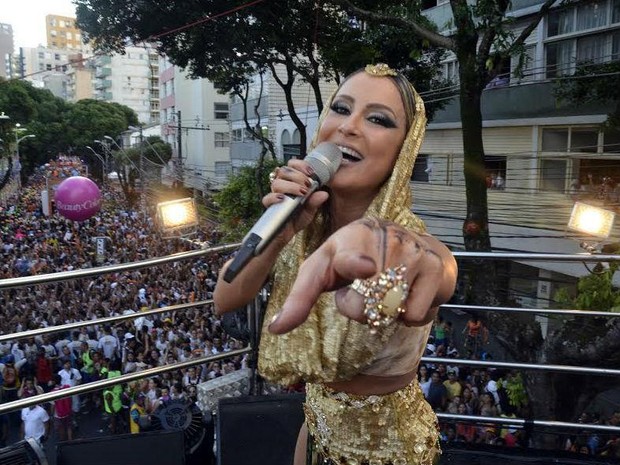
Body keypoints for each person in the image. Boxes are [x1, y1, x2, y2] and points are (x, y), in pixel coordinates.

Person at [214, 63, 457, 465]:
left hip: (388, 452)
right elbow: (225, 298)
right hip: (314, 428)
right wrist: (281, 234)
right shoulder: (300, 221)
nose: (349, 126)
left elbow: (434, 266)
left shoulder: (407, 240)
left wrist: (427, 260)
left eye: (378, 119)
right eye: (341, 109)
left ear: (404, 148)